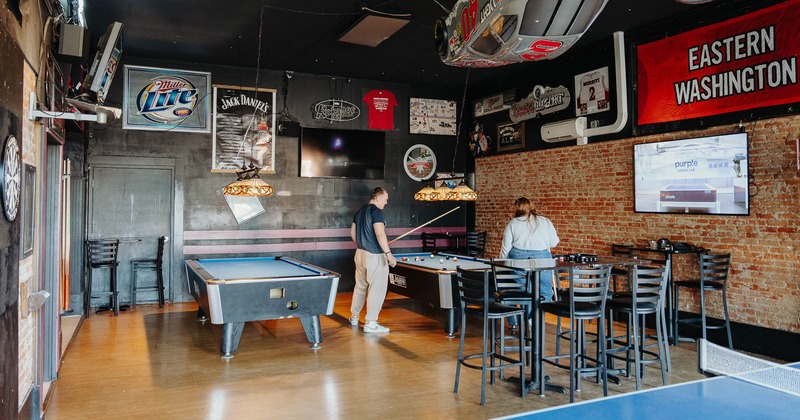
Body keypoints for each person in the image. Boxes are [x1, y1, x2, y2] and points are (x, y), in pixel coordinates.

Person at [349, 187, 397, 333]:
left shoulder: (360, 211)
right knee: (377, 289)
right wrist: (388, 254)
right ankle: (371, 323)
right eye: (385, 199)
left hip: (360, 253)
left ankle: (354, 317)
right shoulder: (377, 212)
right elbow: (380, 234)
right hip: (375, 256)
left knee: (360, 287)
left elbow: (352, 233)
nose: (386, 202)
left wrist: (363, 243)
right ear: (378, 198)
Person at [500, 197, 560, 302]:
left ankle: (529, 318)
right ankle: (540, 316)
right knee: (545, 291)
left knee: (525, 293)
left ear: (517, 208)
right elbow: (554, 243)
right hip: (543, 260)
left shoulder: (513, 223)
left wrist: (501, 263)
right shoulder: (545, 221)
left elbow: (506, 248)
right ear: (532, 206)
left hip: (519, 260)